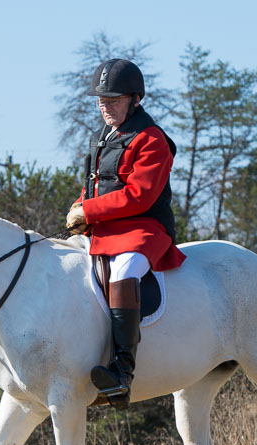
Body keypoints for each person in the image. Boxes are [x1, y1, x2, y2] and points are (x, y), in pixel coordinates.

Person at [66, 58, 186, 409]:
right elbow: (94, 188)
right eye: (102, 101)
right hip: (105, 227)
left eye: (114, 100)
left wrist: (88, 211)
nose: (106, 107)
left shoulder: (152, 139)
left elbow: (140, 195)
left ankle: (122, 372)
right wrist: (79, 208)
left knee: (124, 272)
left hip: (145, 228)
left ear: (135, 99)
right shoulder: (100, 137)